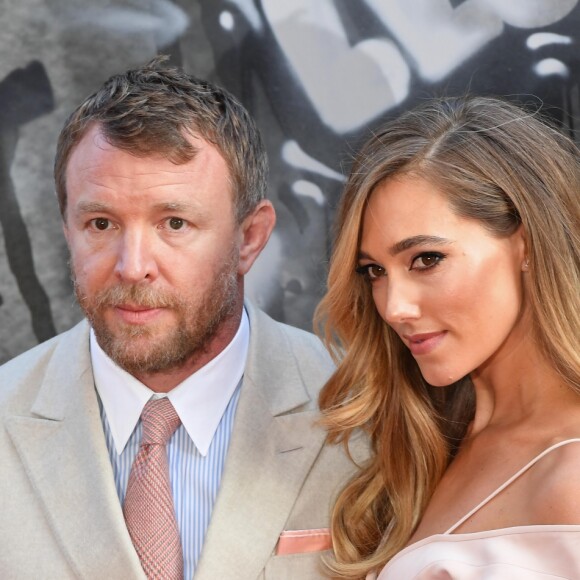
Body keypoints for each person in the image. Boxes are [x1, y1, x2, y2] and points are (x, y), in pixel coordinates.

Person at [0, 57, 364, 580]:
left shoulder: (364, 415)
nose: (132, 267)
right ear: (66, 230)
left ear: (250, 238)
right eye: (100, 223)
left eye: (174, 222)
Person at [315, 95, 580, 579]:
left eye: (426, 259)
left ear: (526, 244)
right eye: (374, 271)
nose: (394, 308)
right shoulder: (428, 445)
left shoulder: (571, 474)